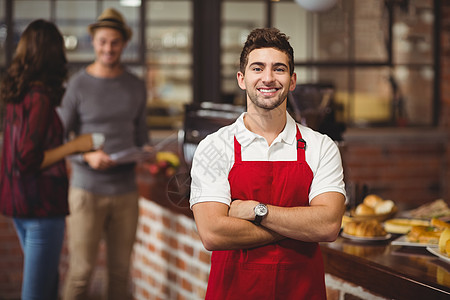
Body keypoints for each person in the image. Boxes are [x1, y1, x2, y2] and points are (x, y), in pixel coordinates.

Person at [190, 28, 346, 299]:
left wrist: (256, 211)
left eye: (279, 69)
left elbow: (328, 226)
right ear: (242, 78)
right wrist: (299, 227)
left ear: (292, 80)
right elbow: (213, 233)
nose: (268, 78)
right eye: (258, 68)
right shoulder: (215, 147)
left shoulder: (321, 146)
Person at [57, 8, 149, 300]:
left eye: (115, 42)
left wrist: (147, 154)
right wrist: (87, 157)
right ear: (93, 42)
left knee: (121, 275)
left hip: (126, 193)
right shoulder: (77, 84)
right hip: (86, 192)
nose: (108, 48)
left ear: (123, 44)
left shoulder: (135, 85)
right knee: (81, 273)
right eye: (102, 41)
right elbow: (59, 140)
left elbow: (142, 138)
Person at [0, 20, 95, 300]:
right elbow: (27, 159)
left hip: (19, 204)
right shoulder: (39, 97)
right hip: (41, 207)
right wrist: (75, 145)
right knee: (38, 293)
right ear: (52, 53)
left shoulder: (20, 93)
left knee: (47, 285)